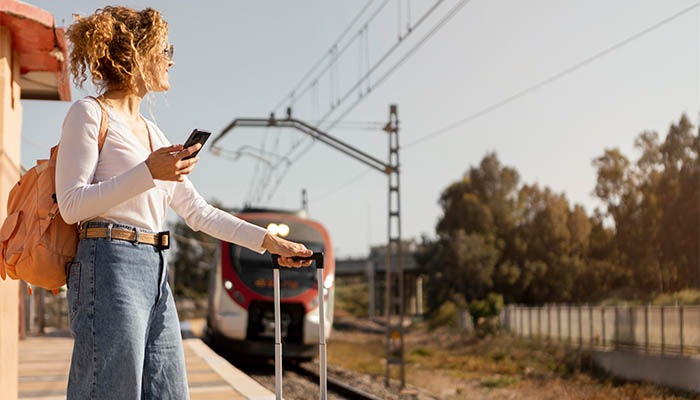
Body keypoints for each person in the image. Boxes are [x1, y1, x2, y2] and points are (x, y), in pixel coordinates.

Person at [56, 6, 312, 399]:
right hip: (107, 264)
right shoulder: (89, 113)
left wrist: (268, 242)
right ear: (135, 55)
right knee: (110, 392)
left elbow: (199, 212)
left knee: (170, 392)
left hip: (155, 267)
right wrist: (148, 172)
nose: (170, 60)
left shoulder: (154, 135)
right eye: (163, 50)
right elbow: (71, 204)